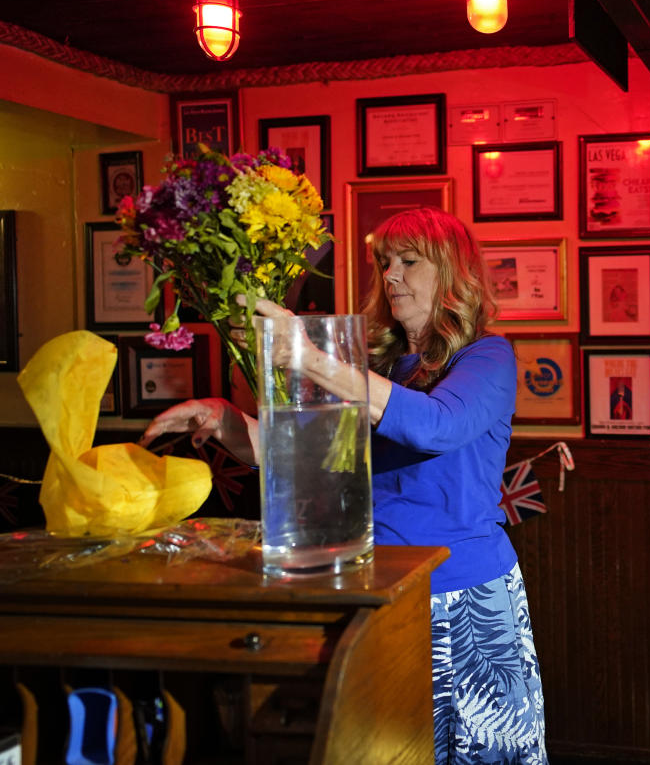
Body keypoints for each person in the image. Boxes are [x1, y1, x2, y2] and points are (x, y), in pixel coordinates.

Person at [139, 206, 547, 763]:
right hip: (378, 587)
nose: (392, 276)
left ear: (452, 272)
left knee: (480, 752)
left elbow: (435, 426)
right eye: (385, 264)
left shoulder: (488, 356)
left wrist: (307, 356)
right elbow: (304, 454)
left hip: (463, 593)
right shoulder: (386, 367)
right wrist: (221, 421)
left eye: (409, 261)